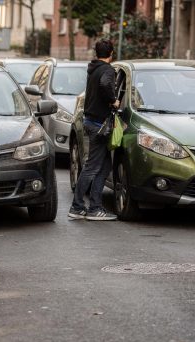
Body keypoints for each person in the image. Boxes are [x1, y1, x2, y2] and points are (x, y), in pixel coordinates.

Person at [68, 39, 120, 221]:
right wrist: (114, 101)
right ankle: (77, 206)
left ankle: (95, 207)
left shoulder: (93, 68)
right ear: (111, 53)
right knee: (91, 167)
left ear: (97, 53)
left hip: (91, 121)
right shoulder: (107, 70)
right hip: (99, 124)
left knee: (104, 166)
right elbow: (105, 85)